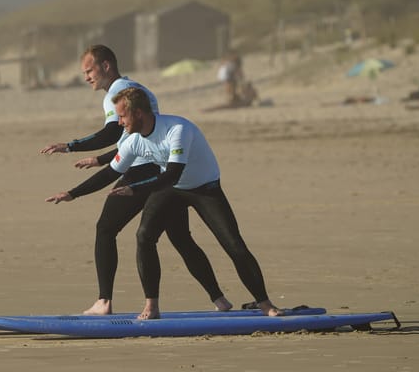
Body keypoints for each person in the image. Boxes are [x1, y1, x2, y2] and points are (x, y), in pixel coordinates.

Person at [48, 87, 283, 319]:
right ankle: (152, 306)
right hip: (172, 189)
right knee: (144, 236)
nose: (119, 122)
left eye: (122, 116)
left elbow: (172, 173)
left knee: (233, 244)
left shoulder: (177, 130)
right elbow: (111, 173)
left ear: (138, 113)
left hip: (205, 189)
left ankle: (265, 304)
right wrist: (72, 193)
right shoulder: (133, 141)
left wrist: (135, 188)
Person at [42, 45, 232, 315]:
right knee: (180, 237)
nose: (86, 77)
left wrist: (71, 146)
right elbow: (133, 137)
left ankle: (104, 301)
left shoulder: (117, 93)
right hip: (159, 168)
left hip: (141, 169)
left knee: (106, 229)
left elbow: (113, 133)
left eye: (89, 71)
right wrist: (102, 159)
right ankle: (219, 299)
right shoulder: (136, 89)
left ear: (106, 66)